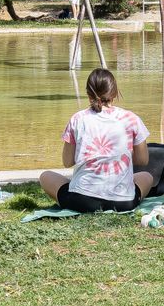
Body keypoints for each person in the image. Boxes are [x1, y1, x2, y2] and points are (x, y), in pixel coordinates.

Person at [39, 68, 155, 213]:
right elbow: (142, 160)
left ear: (88, 94)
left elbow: (67, 162)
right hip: (123, 203)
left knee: (45, 176)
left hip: (81, 201)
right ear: (114, 93)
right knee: (147, 177)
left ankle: (81, 191)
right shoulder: (132, 119)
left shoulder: (78, 119)